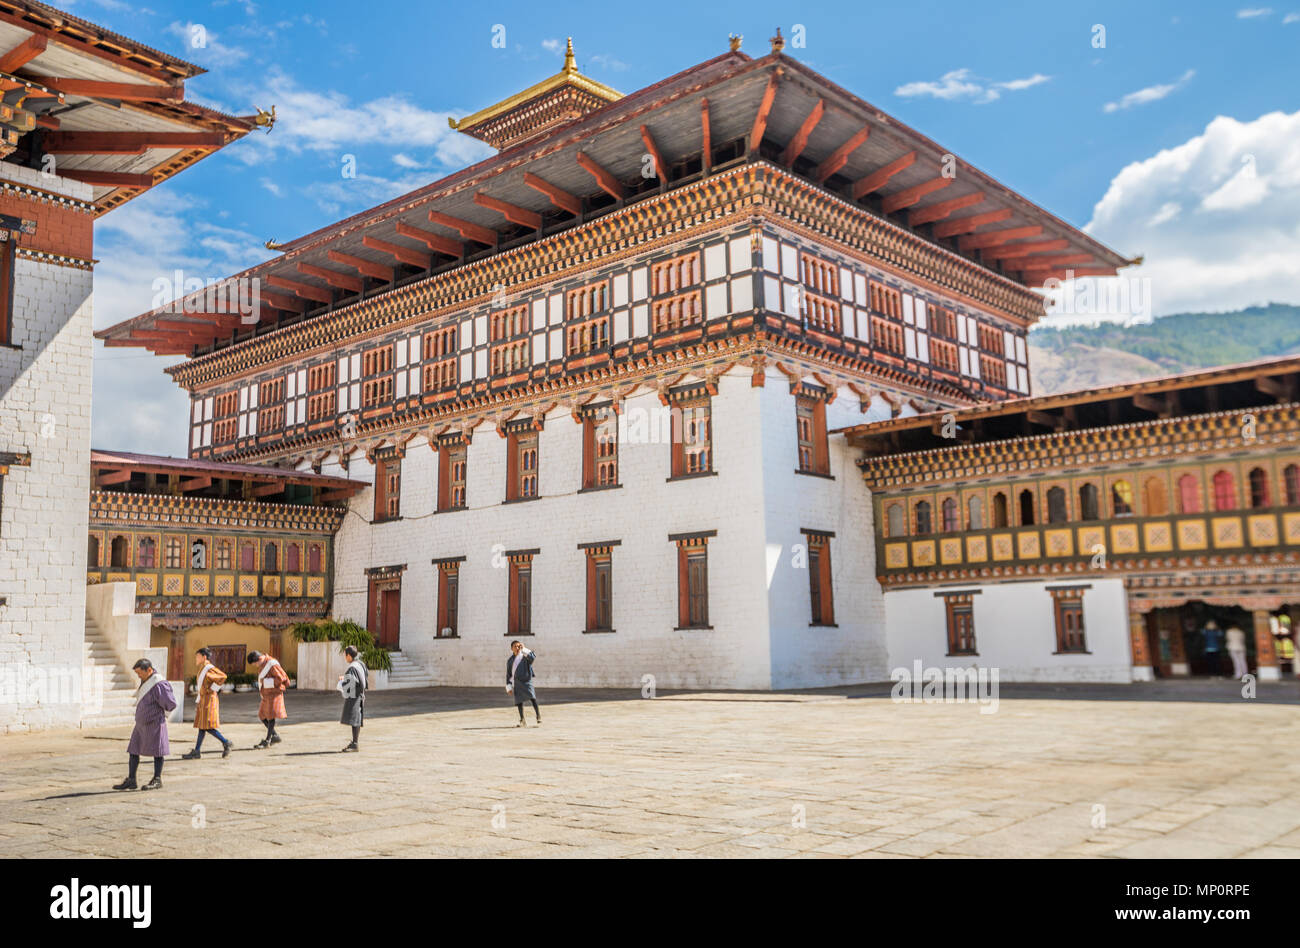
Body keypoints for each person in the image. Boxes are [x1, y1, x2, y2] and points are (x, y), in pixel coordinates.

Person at [113, 659, 176, 791]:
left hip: (155, 723)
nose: (138, 676)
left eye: (140, 673)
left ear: (149, 670)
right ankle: (131, 779)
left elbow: (170, 703)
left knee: (158, 751)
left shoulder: (159, 683)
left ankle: (157, 779)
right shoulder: (146, 680)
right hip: (141, 724)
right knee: (133, 750)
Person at [182, 647, 234, 759]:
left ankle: (226, 742)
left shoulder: (208, 668)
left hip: (209, 699)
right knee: (202, 725)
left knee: (207, 725)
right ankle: (197, 751)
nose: (196, 658)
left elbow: (223, 676)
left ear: (204, 657)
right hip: (204, 699)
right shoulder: (203, 668)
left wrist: (212, 689)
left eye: (197, 656)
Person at [248, 650, 289, 749]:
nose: (256, 666)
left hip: (274, 693)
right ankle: (275, 736)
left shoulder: (272, 664)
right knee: (262, 715)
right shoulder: (264, 663)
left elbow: (282, 678)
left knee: (271, 716)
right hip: (266, 694)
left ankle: (268, 740)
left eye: (255, 664)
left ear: (258, 659)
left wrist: (265, 682)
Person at [337, 645, 366, 752]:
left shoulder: (352, 667)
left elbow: (351, 683)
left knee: (354, 719)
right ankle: (355, 742)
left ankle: (355, 743)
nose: (345, 657)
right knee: (356, 719)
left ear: (349, 655)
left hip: (355, 696)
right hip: (360, 694)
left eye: (345, 655)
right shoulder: (360, 664)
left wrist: (342, 681)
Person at [506, 640, 540, 727]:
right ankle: (522, 719)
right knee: (519, 702)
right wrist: (509, 687)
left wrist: (524, 649)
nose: (517, 648)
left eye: (518, 646)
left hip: (527, 681)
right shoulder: (510, 661)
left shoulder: (525, 657)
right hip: (517, 683)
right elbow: (509, 674)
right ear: (511, 648)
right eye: (515, 646)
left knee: (533, 698)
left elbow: (532, 657)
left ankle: (538, 715)